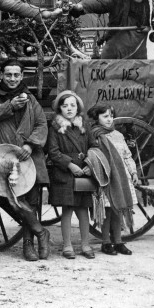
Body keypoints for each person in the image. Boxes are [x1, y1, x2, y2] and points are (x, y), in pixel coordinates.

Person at [0, 59, 50, 261]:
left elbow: (41, 123)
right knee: (15, 198)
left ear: (21, 76)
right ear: (1, 75)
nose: (12, 79)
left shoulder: (29, 98)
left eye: (16, 75)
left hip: (28, 156)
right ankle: (40, 232)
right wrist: (8, 106)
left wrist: (30, 144)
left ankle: (28, 245)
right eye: (8, 74)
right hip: (2, 156)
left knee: (32, 200)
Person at [62, 0, 154, 59]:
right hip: (114, 54)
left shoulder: (148, 4)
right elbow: (100, 4)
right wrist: (81, 6)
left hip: (138, 55)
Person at [47, 91, 98, 259]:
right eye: (65, 105)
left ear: (78, 108)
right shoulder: (55, 127)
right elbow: (53, 152)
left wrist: (90, 165)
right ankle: (67, 245)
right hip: (64, 173)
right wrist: (69, 164)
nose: (69, 109)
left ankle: (85, 244)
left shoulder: (84, 125)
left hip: (83, 171)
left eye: (73, 105)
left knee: (83, 209)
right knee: (67, 209)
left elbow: (93, 146)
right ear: (59, 108)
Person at [87, 105, 138, 255]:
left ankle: (119, 241)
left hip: (120, 178)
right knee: (107, 211)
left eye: (111, 116)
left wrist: (133, 172)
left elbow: (127, 155)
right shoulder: (94, 135)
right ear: (97, 119)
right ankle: (106, 242)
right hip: (105, 178)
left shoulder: (118, 135)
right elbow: (92, 155)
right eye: (105, 116)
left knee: (118, 210)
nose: (109, 119)